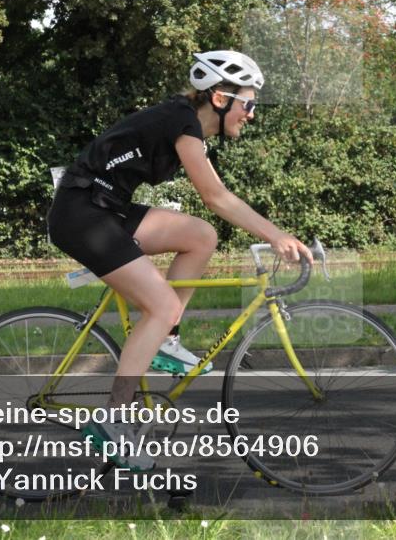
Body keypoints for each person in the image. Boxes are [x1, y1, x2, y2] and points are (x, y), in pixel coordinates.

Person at [47, 50, 312, 471]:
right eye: (249, 103)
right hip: (83, 214)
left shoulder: (187, 126)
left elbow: (212, 206)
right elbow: (216, 196)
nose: (252, 114)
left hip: (105, 209)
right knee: (163, 303)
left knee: (201, 236)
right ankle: (112, 420)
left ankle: (165, 340)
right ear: (221, 99)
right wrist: (276, 235)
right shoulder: (182, 123)